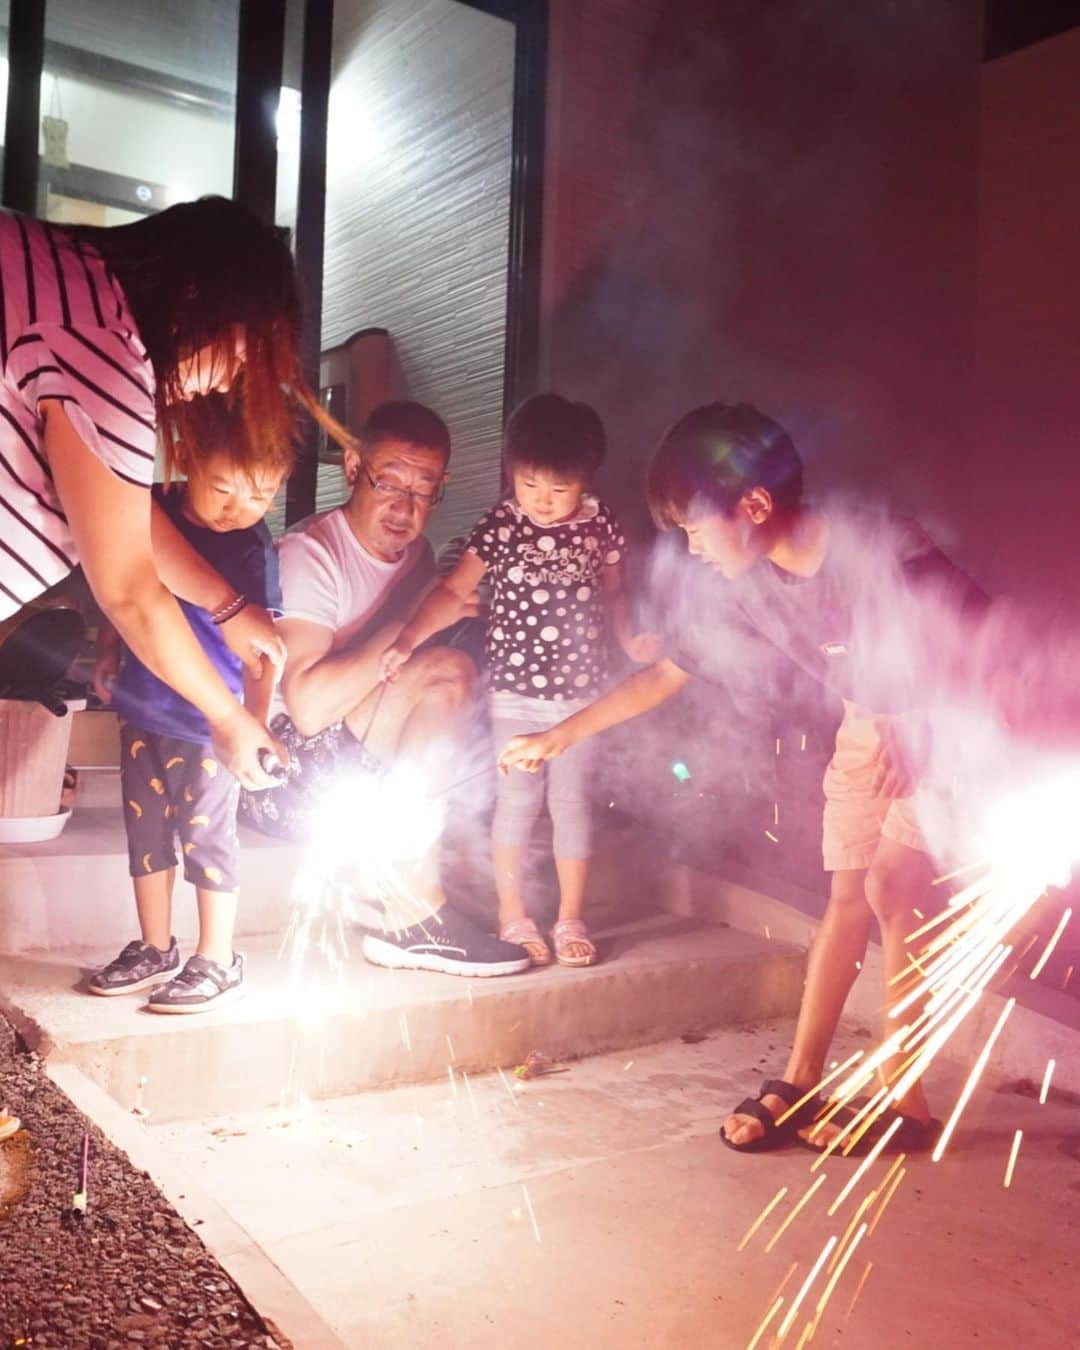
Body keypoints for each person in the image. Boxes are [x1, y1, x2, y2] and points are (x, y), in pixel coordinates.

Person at [499, 401, 986, 1150]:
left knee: (893, 888)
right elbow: (665, 675)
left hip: (951, 719)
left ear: (753, 505)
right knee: (848, 892)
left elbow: (964, 636)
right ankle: (799, 1080)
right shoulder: (744, 583)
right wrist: (560, 735)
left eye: (695, 530)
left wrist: (912, 717)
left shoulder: (872, 543)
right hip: (872, 720)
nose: (693, 551)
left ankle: (905, 1102)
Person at [0, 197, 349, 789]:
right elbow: (131, 590)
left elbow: (118, 516)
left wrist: (228, 607)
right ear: (199, 297)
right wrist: (228, 719)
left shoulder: (62, 276)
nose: (230, 379)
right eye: (246, 352)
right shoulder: (106, 342)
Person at [240, 400, 531, 978]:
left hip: (350, 759)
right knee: (444, 670)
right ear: (353, 469)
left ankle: (397, 884)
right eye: (389, 482)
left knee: (467, 678)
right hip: (280, 778)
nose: (405, 507)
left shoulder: (416, 554)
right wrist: (415, 616)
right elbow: (308, 708)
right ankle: (411, 917)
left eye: (424, 491)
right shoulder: (312, 555)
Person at [382, 393, 655, 967]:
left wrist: (632, 640)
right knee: (517, 803)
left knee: (572, 801)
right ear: (513, 472)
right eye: (531, 485)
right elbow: (455, 592)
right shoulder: (502, 524)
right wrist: (406, 641)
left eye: (559, 490)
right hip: (516, 692)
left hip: (583, 696)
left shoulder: (600, 523)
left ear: (586, 478)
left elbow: (616, 594)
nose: (544, 502)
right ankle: (514, 915)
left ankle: (570, 918)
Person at [88, 396, 285, 1011]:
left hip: (209, 729)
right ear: (189, 461)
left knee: (207, 840)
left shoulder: (254, 549)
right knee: (145, 835)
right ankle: (154, 947)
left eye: (260, 495)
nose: (238, 509)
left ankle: (217, 958)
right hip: (143, 709)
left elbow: (265, 649)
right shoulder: (153, 510)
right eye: (223, 488)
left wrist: (254, 722)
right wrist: (109, 651)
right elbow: (125, 587)